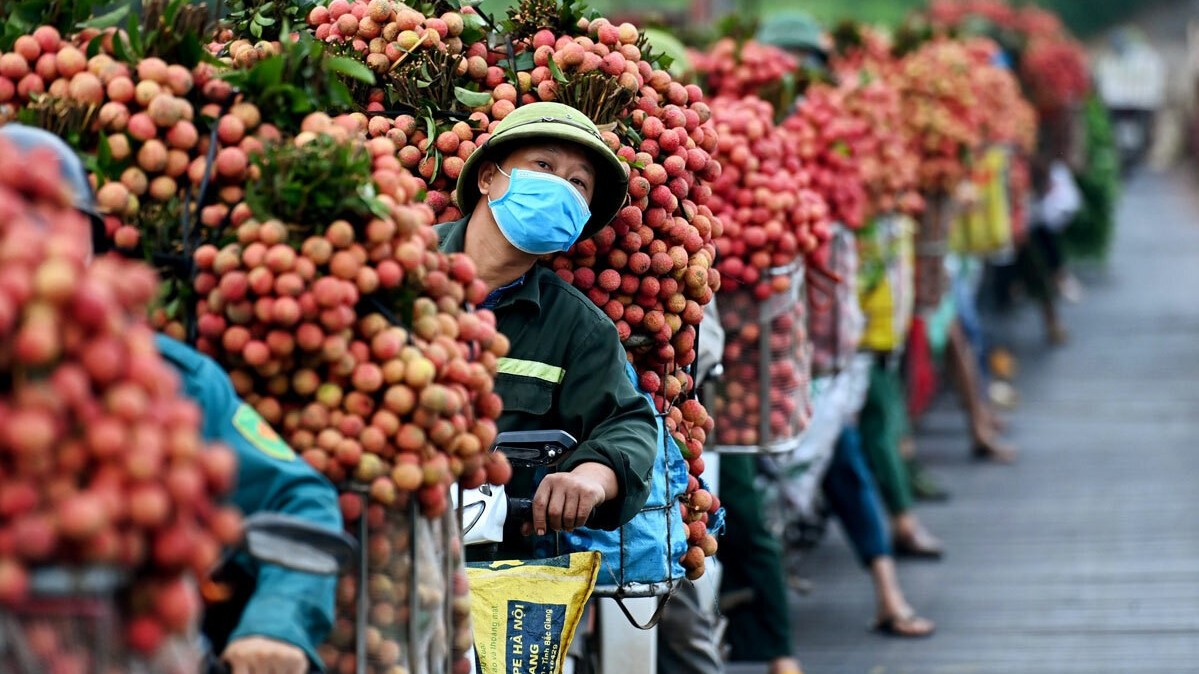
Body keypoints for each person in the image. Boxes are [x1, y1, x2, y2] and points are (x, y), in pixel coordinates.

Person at [0, 124, 342, 674]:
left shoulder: (169, 381)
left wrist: (276, 624)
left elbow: (300, 501)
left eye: (56, 228)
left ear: (95, 250)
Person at [435, 102, 658, 551]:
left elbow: (627, 425)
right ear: (487, 178)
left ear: (579, 219)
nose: (559, 185)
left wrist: (591, 478)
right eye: (543, 165)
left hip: (498, 563)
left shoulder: (579, 327)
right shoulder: (394, 264)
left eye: (577, 182)